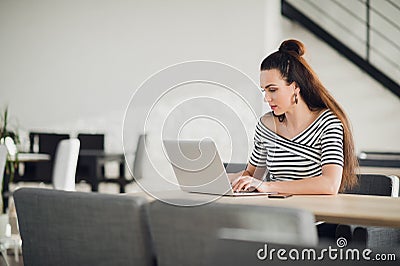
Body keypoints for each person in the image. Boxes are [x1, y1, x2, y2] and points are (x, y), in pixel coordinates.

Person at [231, 39, 358, 195]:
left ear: (295, 87)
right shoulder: (265, 126)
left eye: (272, 90)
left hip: (314, 215)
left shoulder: (328, 123)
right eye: (264, 90)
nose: (266, 98)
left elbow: (330, 185)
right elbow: (252, 174)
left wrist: (268, 186)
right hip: (275, 210)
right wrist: (218, 179)